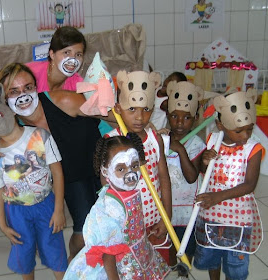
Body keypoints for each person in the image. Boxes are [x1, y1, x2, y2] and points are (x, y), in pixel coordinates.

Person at [0, 63, 114, 261]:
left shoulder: (62, 100)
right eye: (14, 91)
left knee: (95, 228)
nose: (23, 95)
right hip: (56, 179)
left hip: (90, 166)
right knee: (72, 230)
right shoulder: (12, 124)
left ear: (36, 88)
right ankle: (73, 267)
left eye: (28, 87)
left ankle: (79, 262)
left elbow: (108, 114)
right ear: (4, 100)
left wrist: (140, 127)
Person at [0, 26, 90, 253]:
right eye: (66, 53)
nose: (72, 60)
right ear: (52, 54)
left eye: (78, 55)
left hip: (51, 147)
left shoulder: (76, 84)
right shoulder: (29, 75)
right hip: (16, 136)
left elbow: (95, 114)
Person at [0, 84, 68, 280]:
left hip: (47, 205)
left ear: (8, 109)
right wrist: (2, 223)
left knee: (56, 253)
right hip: (16, 212)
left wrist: (59, 209)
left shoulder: (40, 135)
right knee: (24, 257)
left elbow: (57, 172)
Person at [64, 133, 170, 279]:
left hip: (139, 257)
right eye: (121, 169)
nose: (131, 174)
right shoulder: (110, 208)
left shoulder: (130, 192)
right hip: (120, 269)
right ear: (105, 171)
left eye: (134, 165)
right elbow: (108, 254)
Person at [194, 89, 265, 280]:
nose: (245, 135)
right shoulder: (213, 140)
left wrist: (217, 197)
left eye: (249, 129)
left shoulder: (253, 148)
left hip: (238, 217)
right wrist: (204, 160)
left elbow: (249, 184)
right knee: (212, 255)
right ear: (221, 125)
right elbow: (203, 170)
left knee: (235, 264)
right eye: (239, 130)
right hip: (211, 214)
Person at [104, 70, 172, 263]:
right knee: (131, 268)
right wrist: (125, 168)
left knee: (156, 263)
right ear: (118, 109)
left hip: (154, 218)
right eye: (132, 109)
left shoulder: (154, 139)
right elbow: (105, 185)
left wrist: (166, 217)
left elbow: (164, 179)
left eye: (146, 109)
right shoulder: (110, 141)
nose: (140, 117)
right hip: (125, 223)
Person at [162, 81, 206, 273]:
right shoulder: (161, 139)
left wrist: (180, 150)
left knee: (186, 247)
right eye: (174, 116)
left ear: (195, 119)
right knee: (169, 245)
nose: (180, 123)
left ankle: (183, 271)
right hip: (166, 208)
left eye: (186, 118)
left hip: (188, 212)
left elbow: (191, 177)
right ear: (167, 116)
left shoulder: (196, 143)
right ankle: (171, 268)